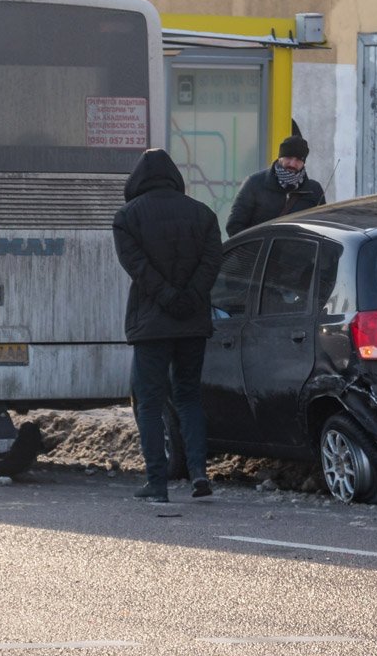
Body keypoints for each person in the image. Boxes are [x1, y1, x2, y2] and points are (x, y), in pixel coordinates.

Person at [112, 148, 223, 503]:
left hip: (152, 324)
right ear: (175, 177)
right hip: (192, 323)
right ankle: (199, 475)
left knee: (150, 402)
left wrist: (166, 297)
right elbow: (211, 264)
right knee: (189, 397)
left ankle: (157, 482)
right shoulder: (203, 215)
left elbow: (138, 268)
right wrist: (189, 296)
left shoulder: (127, 218)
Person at [226, 134, 326, 236]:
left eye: (298, 160)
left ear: (303, 163)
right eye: (289, 157)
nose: (292, 163)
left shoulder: (314, 190)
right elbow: (234, 227)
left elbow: (323, 229)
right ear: (280, 157)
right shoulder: (254, 183)